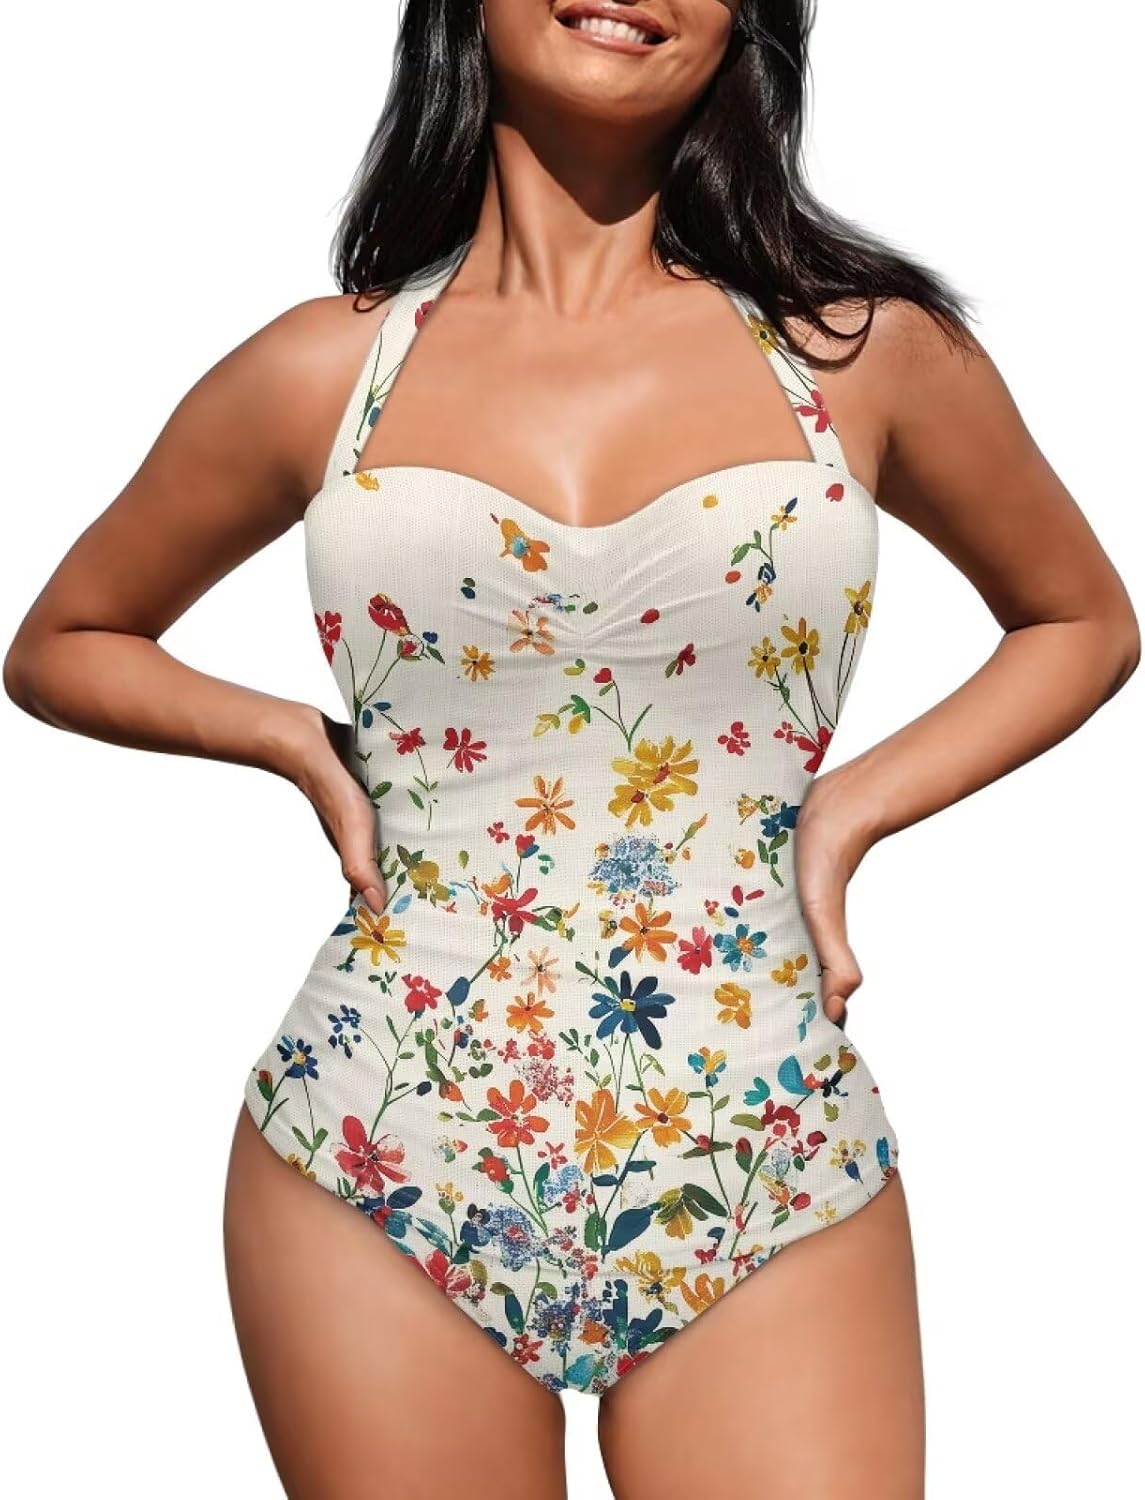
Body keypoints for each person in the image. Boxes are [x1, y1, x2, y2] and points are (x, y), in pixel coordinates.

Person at [4, 2, 1139, 1496]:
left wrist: (848, 812)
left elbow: (1080, 617)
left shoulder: (858, 353)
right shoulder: (321, 370)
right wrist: (291, 738)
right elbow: (64, 640)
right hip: (381, 1135)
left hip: (757, 1139)